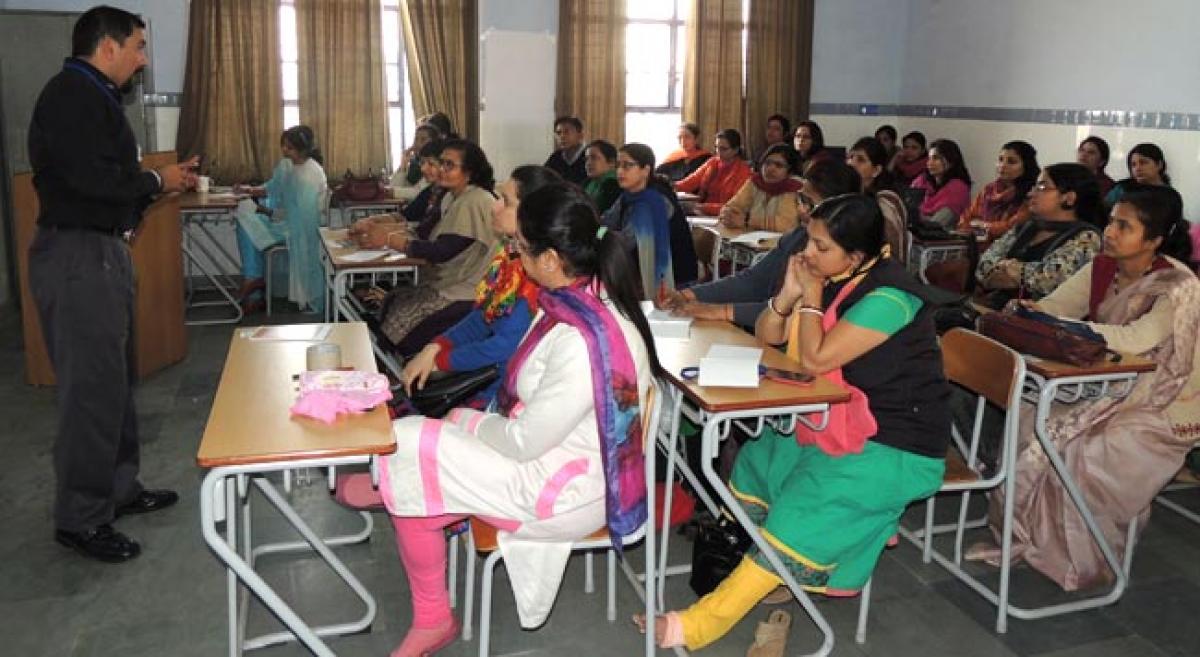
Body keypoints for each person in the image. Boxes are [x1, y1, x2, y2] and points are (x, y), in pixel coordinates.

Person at [639, 194, 949, 651]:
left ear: (857, 255)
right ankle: (769, 568)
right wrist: (787, 295)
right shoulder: (838, 273)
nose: (807, 254)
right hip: (838, 419)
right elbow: (770, 336)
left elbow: (816, 360)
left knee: (802, 510)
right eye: (809, 241)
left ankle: (702, 622)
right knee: (760, 458)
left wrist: (811, 297)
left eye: (822, 247)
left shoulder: (890, 297)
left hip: (896, 445)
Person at [372, 183, 661, 656]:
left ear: (549, 258)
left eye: (522, 249)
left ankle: (434, 617)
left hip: (562, 490)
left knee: (408, 443)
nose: (515, 256)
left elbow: (525, 442)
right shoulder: (581, 299)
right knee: (422, 449)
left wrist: (470, 421)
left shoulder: (581, 337)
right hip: (556, 455)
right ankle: (409, 519)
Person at [27, 6, 194, 563]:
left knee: (115, 384)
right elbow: (91, 181)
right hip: (78, 253)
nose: (144, 59)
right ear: (108, 46)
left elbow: (107, 181)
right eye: (140, 47)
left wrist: (156, 185)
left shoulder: (93, 95)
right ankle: (81, 518)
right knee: (90, 393)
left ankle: (118, 488)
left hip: (101, 250)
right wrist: (154, 178)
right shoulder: (70, 96)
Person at [979, 184, 1199, 591]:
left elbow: (1137, 338)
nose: (1110, 233)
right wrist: (1036, 314)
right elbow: (1058, 305)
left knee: (1092, 451)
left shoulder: (1178, 287)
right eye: (1111, 222)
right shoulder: (1102, 267)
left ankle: (1084, 556)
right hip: (1111, 383)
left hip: (1165, 399)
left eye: (1124, 226)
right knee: (1033, 422)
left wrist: (1069, 328)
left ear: (1154, 240)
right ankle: (1031, 539)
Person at [400, 166, 562, 408]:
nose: (494, 206)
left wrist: (441, 361)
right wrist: (435, 347)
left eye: (506, 201)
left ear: (532, 214)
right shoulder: (509, 258)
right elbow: (481, 317)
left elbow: (504, 347)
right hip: (484, 382)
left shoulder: (539, 278)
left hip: (504, 397)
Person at [660, 159, 862, 325]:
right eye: (801, 199)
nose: (801, 209)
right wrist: (687, 295)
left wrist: (720, 311)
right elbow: (754, 281)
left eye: (809, 203)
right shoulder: (798, 236)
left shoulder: (841, 256)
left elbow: (791, 312)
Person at [362, 139, 499, 357]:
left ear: (470, 172)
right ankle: (391, 368)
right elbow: (423, 230)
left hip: (470, 289)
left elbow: (441, 252)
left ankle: (401, 374)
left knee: (402, 315)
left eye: (449, 166)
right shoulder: (452, 197)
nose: (441, 170)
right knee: (395, 300)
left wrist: (390, 239)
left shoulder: (475, 200)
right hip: (449, 280)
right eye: (441, 163)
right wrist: (381, 228)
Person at [974, 163, 1103, 309]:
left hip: (1038, 319)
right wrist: (1009, 274)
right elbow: (984, 262)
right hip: (995, 308)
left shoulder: (1086, 237)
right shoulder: (1027, 226)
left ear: (1069, 198)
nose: (1030, 193)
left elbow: (1054, 278)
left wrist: (1015, 272)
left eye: (1042, 187)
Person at [233, 125, 328, 315]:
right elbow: (275, 192)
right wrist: (251, 195)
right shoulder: (289, 167)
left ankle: (254, 280)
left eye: (289, 147)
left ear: (302, 149)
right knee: (243, 213)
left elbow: (305, 219)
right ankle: (254, 278)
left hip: (303, 231)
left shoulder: (310, 174)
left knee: (250, 224)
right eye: (283, 146)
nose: (284, 151)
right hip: (288, 223)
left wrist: (268, 213)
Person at [601, 143, 677, 299]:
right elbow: (605, 222)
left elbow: (625, 242)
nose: (620, 171)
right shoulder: (628, 195)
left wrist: (598, 235)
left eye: (627, 166)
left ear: (646, 170)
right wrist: (599, 232)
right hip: (635, 269)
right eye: (618, 166)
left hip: (668, 279)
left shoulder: (653, 202)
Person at [956, 141, 1039, 243]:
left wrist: (983, 225)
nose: (1002, 165)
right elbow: (966, 218)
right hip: (974, 245)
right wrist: (973, 227)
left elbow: (1012, 229)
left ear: (1027, 166)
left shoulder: (1031, 194)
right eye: (1000, 160)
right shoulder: (989, 189)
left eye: (1011, 162)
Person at [847, 136, 907, 262]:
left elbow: (890, 250)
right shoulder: (852, 194)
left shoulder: (887, 201)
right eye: (850, 157)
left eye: (861, 160)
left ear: (876, 170)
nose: (851, 163)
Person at [719, 143, 802, 233]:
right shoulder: (755, 182)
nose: (770, 169)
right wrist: (727, 215)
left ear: (790, 171)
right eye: (767, 163)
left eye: (779, 165)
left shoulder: (794, 188)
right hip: (750, 238)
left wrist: (747, 221)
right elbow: (732, 206)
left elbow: (786, 225)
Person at [674, 128, 752, 216]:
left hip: (725, 216)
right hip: (703, 213)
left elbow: (734, 206)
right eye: (716, 148)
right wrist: (668, 185)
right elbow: (690, 182)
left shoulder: (743, 171)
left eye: (723, 149)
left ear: (736, 150)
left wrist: (700, 207)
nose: (718, 152)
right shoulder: (713, 162)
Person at [910, 138, 972, 228]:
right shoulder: (921, 182)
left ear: (951, 161)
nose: (929, 163)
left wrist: (917, 219)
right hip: (914, 235)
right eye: (929, 158)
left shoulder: (958, 188)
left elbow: (937, 225)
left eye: (936, 158)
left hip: (942, 238)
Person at [1104, 142, 1171, 209]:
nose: (1137, 168)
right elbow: (1102, 212)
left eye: (1143, 163)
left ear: (1159, 165)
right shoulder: (1122, 189)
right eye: (1133, 165)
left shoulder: (1170, 195)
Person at [390, 123, 440, 202]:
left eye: (423, 139)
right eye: (416, 139)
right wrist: (403, 165)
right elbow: (395, 186)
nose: (417, 143)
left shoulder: (436, 163)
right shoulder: (415, 163)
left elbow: (419, 192)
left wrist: (392, 192)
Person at [544, 115, 588, 185]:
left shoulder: (590, 156)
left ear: (580, 135)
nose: (562, 137)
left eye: (567, 132)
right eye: (558, 133)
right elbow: (543, 177)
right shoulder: (556, 157)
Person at [582, 139, 621, 213]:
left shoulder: (615, 186)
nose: (588, 163)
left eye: (594, 158)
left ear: (611, 162)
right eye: (586, 159)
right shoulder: (586, 183)